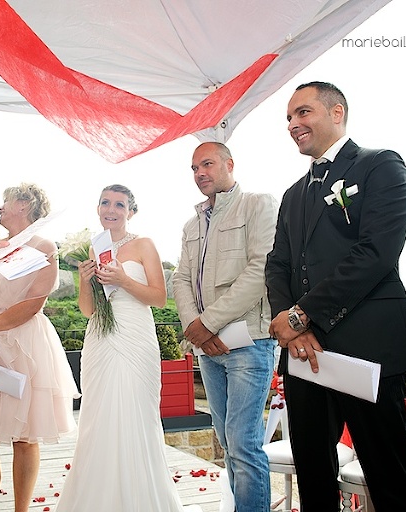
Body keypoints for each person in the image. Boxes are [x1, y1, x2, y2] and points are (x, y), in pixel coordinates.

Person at [265, 81, 406, 511]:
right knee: (314, 473)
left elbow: (375, 253)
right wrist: (291, 325)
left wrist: (302, 315)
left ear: (337, 113)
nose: (293, 124)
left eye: (303, 112)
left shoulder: (380, 165)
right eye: (288, 117)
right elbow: (277, 264)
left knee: (388, 474)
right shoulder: (292, 194)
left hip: (366, 347)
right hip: (304, 354)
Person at [57, 184, 193, 512]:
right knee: (98, 415)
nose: (111, 209)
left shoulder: (144, 244)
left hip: (135, 336)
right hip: (100, 340)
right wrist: (86, 279)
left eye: (119, 204)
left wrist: (123, 280)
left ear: (131, 211)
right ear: (98, 207)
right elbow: (88, 310)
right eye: (105, 202)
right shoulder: (93, 248)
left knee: (136, 413)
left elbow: (159, 298)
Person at [0, 183, 78, 512]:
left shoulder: (44, 247)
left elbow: (32, 304)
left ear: (24, 204)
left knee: (25, 437)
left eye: (6, 202)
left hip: (25, 344)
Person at [172, 142, 278, 512]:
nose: (200, 172)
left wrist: (208, 323)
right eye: (194, 168)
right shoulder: (191, 224)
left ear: (230, 164)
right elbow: (180, 279)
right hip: (207, 348)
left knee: (243, 442)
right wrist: (195, 327)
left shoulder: (258, 204)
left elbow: (260, 272)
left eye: (208, 164)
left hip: (250, 342)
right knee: (226, 440)